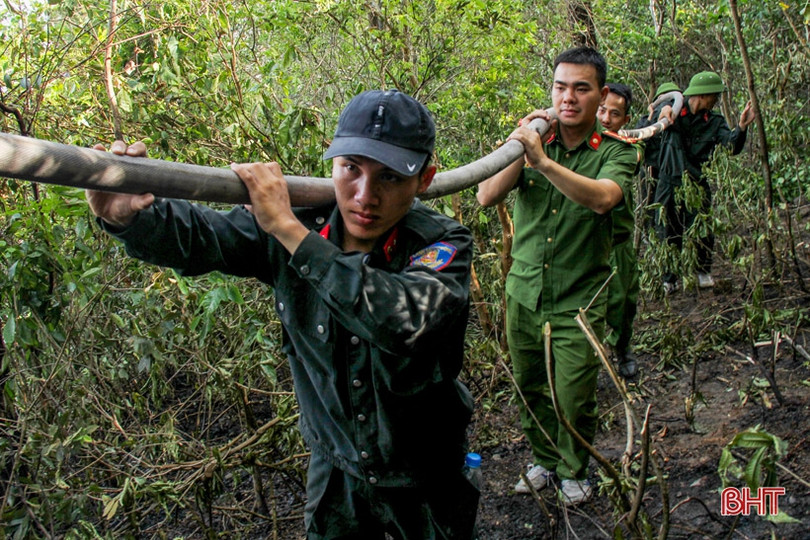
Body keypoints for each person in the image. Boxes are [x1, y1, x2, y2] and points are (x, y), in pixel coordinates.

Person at [85, 89, 479, 539]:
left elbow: (403, 320)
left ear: (424, 180)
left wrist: (291, 233)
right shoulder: (300, 222)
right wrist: (129, 218)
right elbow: (201, 237)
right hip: (337, 467)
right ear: (332, 162)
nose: (365, 196)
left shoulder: (441, 244)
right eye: (351, 169)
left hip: (426, 471)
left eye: (389, 178)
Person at [477, 47, 638, 505]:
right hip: (524, 293)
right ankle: (544, 460)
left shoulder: (616, 152)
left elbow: (604, 199)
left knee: (573, 393)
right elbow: (487, 196)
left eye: (581, 88)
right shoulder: (531, 142)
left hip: (579, 300)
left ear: (600, 94)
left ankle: (574, 467)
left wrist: (544, 164)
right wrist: (519, 145)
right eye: (560, 87)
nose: (569, 98)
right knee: (530, 386)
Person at [652, 71, 756, 292]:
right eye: (713, 96)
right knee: (667, 229)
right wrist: (664, 113)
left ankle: (702, 272)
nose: (716, 100)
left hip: (696, 182)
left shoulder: (715, 121)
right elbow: (651, 125)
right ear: (702, 94)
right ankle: (669, 279)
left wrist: (742, 127)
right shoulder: (674, 109)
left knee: (703, 228)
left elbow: (731, 147)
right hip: (669, 181)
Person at [597, 82, 643, 379]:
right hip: (583, 243)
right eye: (602, 110)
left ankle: (623, 347)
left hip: (618, 242)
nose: (606, 118)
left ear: (625, 121)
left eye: (615, 114)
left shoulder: (627, 149)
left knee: (624, 301)